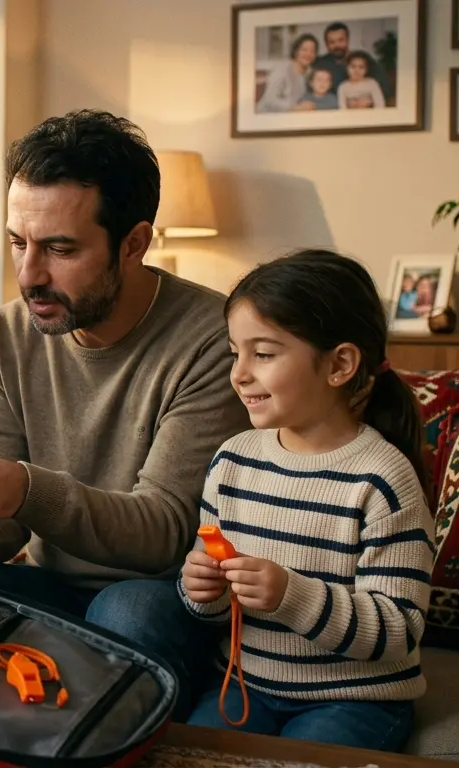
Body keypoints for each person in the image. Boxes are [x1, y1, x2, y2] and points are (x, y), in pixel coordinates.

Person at [0, 109, 251, 720]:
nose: (29, 276)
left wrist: (25, 486)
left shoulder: (213, 338)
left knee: (125, 614)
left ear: (133, 243)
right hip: (49, 589)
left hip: (159, 590)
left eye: (60, 249)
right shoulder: (9, 332)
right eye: (19, 243)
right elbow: (6, 532)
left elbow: (163, 534)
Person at [179, 249, 433, 752]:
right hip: (247, 688)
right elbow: (215, 598)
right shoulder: (232, 461)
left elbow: (398, 629)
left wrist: (292, 596)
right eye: (236, 352)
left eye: (264, 354)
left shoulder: (382, 479)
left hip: (354, 700)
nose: (240, 373)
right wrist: (200, 590)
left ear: (339, 364)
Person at [257, 33, 318, 113]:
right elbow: (269, 100)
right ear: (296, 51)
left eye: (312, 51)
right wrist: (295, 107)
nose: (308, 54)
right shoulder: (282, 68)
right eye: (304, 50)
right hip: (267, 115)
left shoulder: (310, 73)